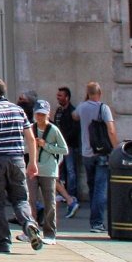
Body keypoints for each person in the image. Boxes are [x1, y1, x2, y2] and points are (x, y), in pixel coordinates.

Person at [0, 77, 41, 253]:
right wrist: (32, 161)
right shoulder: (18, 110)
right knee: (20, 199)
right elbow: (31, 138)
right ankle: (29, 224)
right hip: (17, 159)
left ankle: (3, 241)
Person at [75, 81, 116, 234]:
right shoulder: (103, 108)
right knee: (101, 188)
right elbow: (111, 130)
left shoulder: (82, 107)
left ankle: (94, 220)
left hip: (86, 153)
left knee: (93, 187)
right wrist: (116, 148)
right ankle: (97, 222)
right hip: (102, 153)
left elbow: (74, 117)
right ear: (99, 94)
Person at [30, 101, 67, 241]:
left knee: (49, 202)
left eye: (43, 114)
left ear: (48, 114)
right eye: (38, 114)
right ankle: (31, 232)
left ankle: (50, 233)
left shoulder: (53, 130)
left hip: (49, 170)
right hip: (33, 168)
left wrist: (46, 146)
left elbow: (64, 149)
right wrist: (32, 145)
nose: (40, 117)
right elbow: (25, 147)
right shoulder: (30, 128)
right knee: (30, 201)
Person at [50, 87, 81, 216]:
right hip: (59, 145)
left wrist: (64, 140)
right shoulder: (58, 111)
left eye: (60, 96)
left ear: (67, 97)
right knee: (60, 172)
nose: (58, 98)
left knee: (70, 169)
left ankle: (71, 196)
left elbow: (74, 130)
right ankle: (65, 196)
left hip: (69, 145)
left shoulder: (72, 111)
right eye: (57, 96)